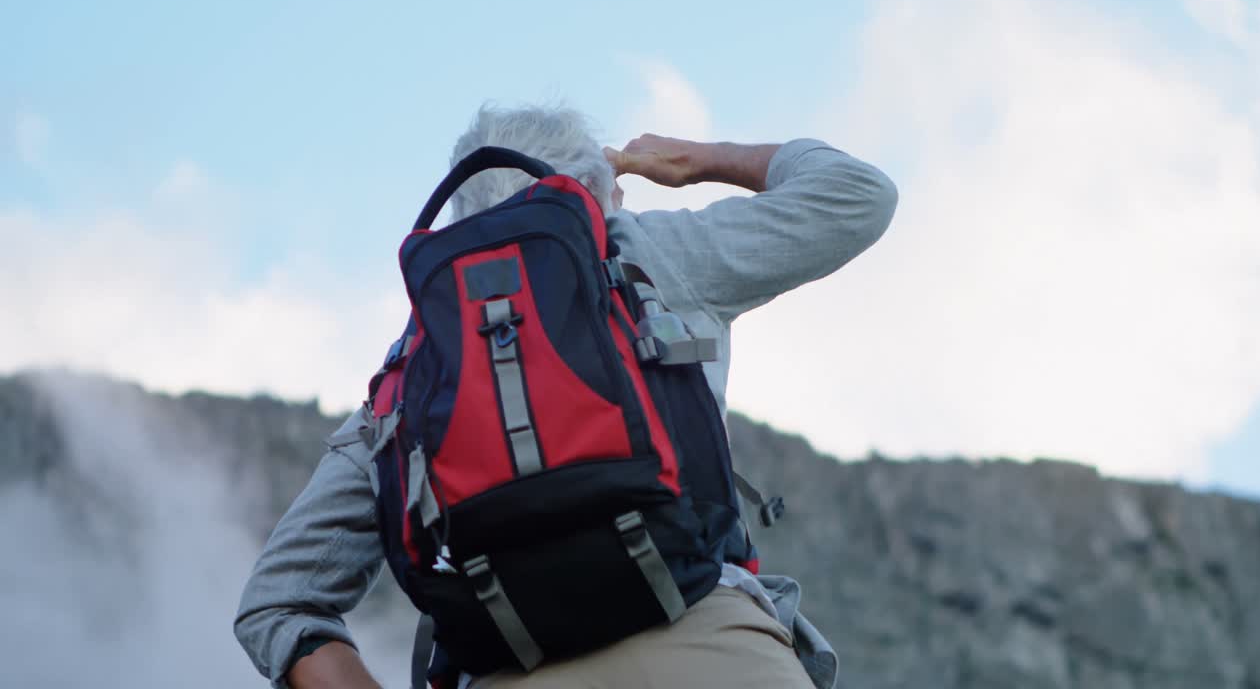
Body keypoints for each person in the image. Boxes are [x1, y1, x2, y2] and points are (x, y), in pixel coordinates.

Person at [234, 104, 897, 689]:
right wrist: (704, 161)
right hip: (714, 649)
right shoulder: (646, 257)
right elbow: (858, 195)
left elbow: (279, 603)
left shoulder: (417, 365)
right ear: (596, 199)